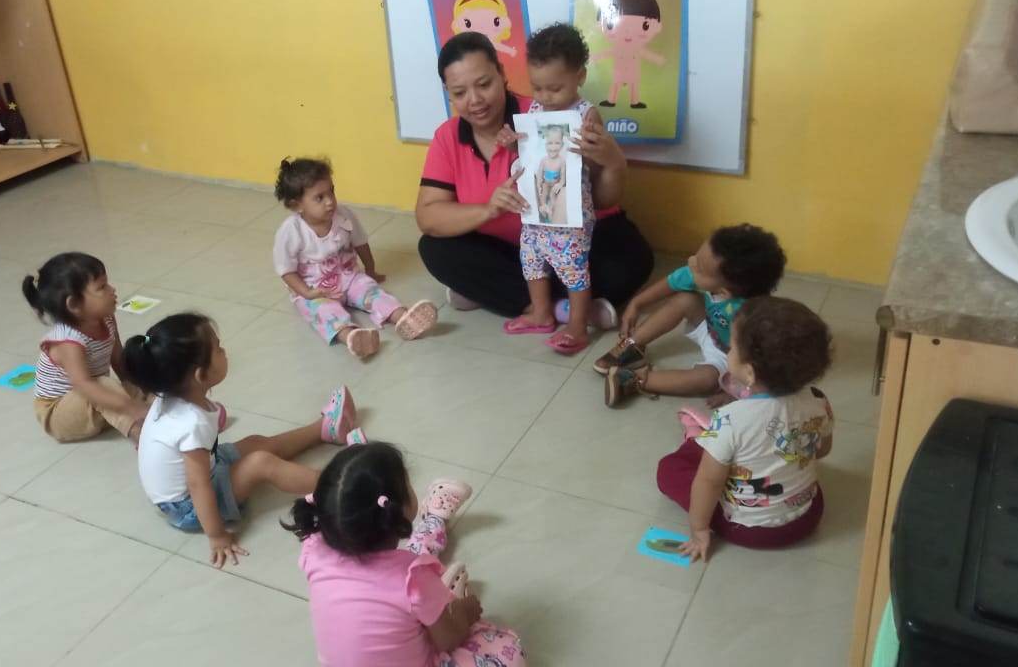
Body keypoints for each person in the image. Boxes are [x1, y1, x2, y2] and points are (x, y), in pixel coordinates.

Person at [416, 31, 654, 324]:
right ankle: (563, 307)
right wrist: (489, 209)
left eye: (484, 84)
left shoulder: (548, 112)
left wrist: (614, 162)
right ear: (447, 91)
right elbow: (428, 216)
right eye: (459, 93)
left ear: (501, 73)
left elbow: (602, 200)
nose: (475, 100)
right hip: (516, 251)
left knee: (631, 260)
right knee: (435, 249)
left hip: (575, 238)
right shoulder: (448, 136)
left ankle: (500, 296)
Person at [124, 312, 365, 569]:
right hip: (186, 506)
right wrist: (217, 536)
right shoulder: (190, 423)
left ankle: (324, 429)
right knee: (261, 463)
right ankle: (342, 487)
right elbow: (198, 485)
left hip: (203, 471)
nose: (225, 351)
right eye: (218, 349)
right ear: (200, 375)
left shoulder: (174, 394)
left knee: (256, 443)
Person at [286, 442, 526, 667]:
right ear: (395, 509)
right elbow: (448, 639)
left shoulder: (314, 549)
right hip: (418, 605)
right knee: (507, 648)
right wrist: (465, 612)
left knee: (406, 572)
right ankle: (435, 532)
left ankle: (435, 523)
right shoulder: (413, 578)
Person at [656, 297, 834, 562]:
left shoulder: (731, 418)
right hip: (808, 515)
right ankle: (707, 444)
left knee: (669, 468)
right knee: (725, 450)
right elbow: (822, 450)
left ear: (749, 373)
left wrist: (699, 530)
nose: (728, 353)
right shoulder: (819, 401)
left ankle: (698, 439)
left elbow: (709, 482)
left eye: (731, 348)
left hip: (750, 531)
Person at [499, 23, 612, 355]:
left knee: (573, 268)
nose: (545, 97)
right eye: (537, 88)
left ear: (580, 76)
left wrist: (588, 149)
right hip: (536, 208)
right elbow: (529, 153)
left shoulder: (586, 115)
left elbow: (595, 163)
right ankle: (541, 313)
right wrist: (512, 143)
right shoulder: (535, 111)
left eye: (555, 88)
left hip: (569, 214)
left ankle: (577, 326)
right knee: (531, 258)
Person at [601, 224, 786, 407]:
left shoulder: (755, 317)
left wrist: (739, 392)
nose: (691, 262)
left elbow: (767, 364)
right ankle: (632, 346)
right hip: (711, 328)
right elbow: (670, 284)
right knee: (685, 299)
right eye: (696, 256)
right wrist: (636, 304)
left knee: (708, 380)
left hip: (733, 356)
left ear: (724, 292)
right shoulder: (705, 273)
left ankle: (635, 380)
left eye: (699, 268)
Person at [274, 157, 438, 359]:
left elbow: (360, 242)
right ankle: (351, 336)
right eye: (319, 197)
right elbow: (286, 270)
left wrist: (370, 269)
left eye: (331, 191)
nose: (330, 201)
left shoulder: (343, 214)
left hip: (350, 277)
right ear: (296, 205)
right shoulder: (291, 231)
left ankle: (403, 317)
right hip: (316, 290)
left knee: (373, 292)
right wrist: (307, 293)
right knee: (325, 313)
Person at [23, 252, 150, 444]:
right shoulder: (67, 341)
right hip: (58, 415)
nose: (112, 290)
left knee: (134, 384)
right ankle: (141, 435)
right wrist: (131, 408)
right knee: (104, 386)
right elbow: (84, 385)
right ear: (74, 304)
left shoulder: (106, 318)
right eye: (102, 287)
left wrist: (141, 389)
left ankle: (157, 412)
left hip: (91, 402)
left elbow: (118, 358)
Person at [591, 0, 667, 109]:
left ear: (657, 26)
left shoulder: (636, 49)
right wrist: (595, 57)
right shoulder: (619, 49)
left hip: (633, 71)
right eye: (610, 25)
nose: (628, 32)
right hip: (619, 71)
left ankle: (634, 102)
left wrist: (657, 59)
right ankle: (611, 101)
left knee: (633, 86)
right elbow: (608, 52)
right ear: (600, 25)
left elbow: (646, 54)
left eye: (645, 26)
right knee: (615, 85)